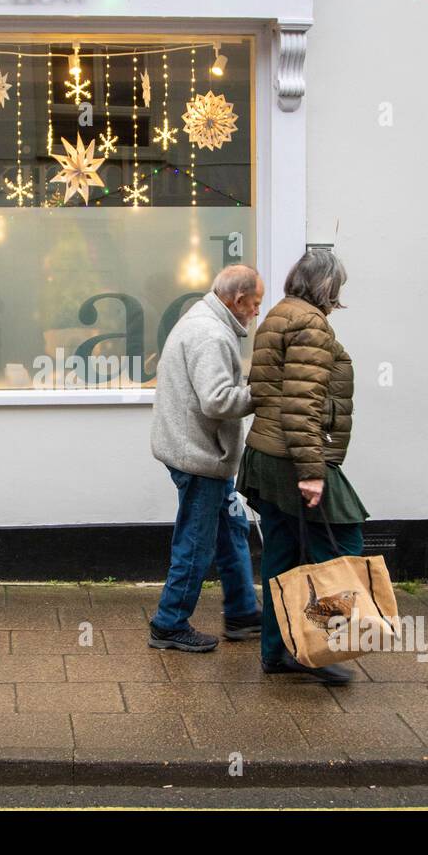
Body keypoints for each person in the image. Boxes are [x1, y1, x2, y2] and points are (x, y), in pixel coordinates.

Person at [237, 248, 366, 684]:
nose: (338, 297)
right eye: (337, 288)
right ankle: (320, 650)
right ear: (326, 286)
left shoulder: (279, 313)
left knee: (283, 554)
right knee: (341, 543)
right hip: (295, 459)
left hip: (267, 455)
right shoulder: (309, 322)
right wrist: (312, 472)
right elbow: (300, 404)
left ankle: (278, 652)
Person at [148, 265, 265, 652]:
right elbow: (216, 399)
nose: (256, 312)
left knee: (231, 531)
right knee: (196, 541)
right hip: (199, 457)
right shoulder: (211, 334)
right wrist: (258, 395)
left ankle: (243, 612)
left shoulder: (204, 321)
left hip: (200, 451)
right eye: (255, 304)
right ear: (237, 299)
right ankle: (169, 623)